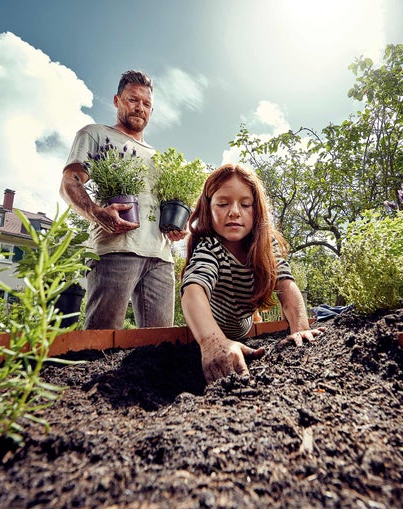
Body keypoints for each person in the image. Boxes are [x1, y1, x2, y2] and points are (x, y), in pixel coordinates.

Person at [60, 70, 186, 330]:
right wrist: (96, 213)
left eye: (146, 103)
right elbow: (69, 183)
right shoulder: (95, 134)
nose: (140, 107)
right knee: (101, 340)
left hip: (160, 257)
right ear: (117, 100)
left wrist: (177, 226)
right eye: (133, 99)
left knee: (160, 345)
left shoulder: (158, 156)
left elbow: (165, 206)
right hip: (115, 249)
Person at [181, 163, 324, 384]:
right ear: (208, 209)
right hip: (210, 327)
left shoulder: (266, 246)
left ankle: (254, 315)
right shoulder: (209, 247)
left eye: (245, 204)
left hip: (244, 326)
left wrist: (300, 328)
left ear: (256, 210)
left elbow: (286, 285)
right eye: (222, 203)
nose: (235, 212)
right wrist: (212, 342)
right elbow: (193, 291)